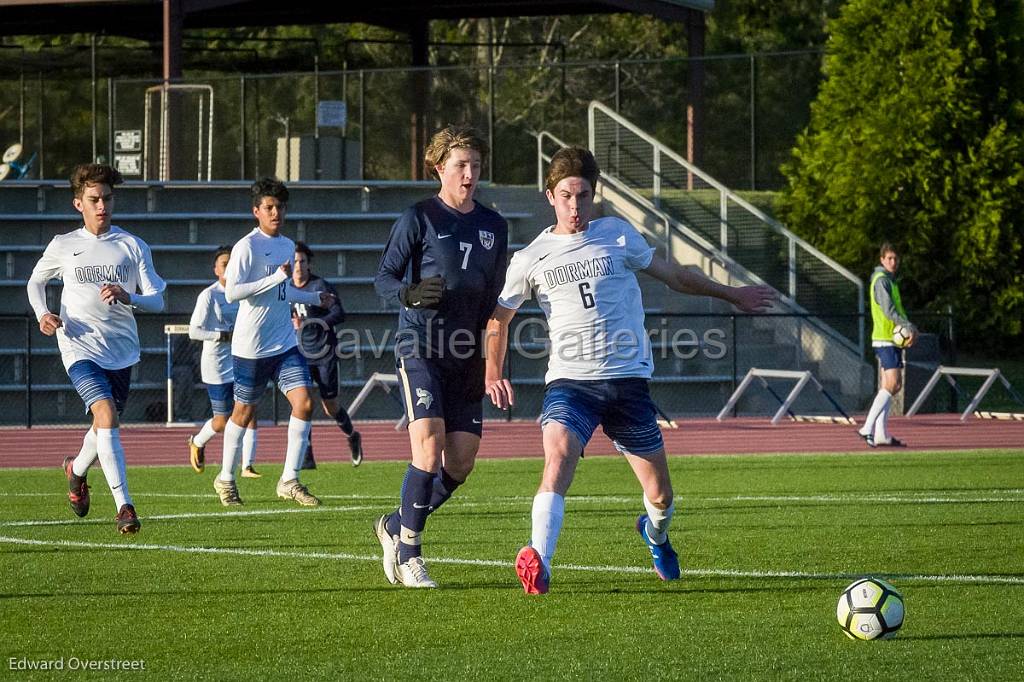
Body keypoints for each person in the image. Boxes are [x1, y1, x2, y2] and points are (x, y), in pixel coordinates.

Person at [484, 146, 775, 594]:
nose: (574, 206)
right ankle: (538, 559)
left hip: (628, 384)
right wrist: (492, 372)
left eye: (582, 196)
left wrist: (732, 294)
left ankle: (655, 534)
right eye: (565, 196)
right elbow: (498, 320)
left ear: (593, 195)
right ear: (550, 196)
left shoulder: (616, 234)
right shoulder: (530, 258)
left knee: (660, 496)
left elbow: (676, 276)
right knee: (558, 457)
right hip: (570, 384)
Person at [372, 124, 508, 588]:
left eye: (475, 165)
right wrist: (409, 293)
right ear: (439, 169)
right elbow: (384, 279)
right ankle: (409, 550)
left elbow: (495, 305)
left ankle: (393, 523)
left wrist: (492, 363)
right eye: (460, 165)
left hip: (466, 353)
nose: (469, 174)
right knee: (428, 448)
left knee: (461, 462)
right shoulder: (419, 217)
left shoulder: (494, 225)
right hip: (421, 346)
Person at [27, 163, 166, 534]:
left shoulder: (132, 245)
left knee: (102, 424)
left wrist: (129, 296)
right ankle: (125, 506)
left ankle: (76, 471)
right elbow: (35, 283)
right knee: (106, 415)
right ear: (78, 204)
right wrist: (43, 314)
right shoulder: (63, 245)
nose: (102, 205)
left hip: (121, 350)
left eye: (107, 198)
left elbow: (158, 301)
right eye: (93, 199)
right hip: (78, 346)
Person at [213, 177, 334, 507]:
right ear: (257, 211)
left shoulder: (286, 245)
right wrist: (275, 277)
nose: (275, 212)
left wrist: (311, 296)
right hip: (251, 347)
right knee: (243, 412)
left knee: (305, 403)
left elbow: (283, 292)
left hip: (283, 344)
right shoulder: (246, 247)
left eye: (280, 207)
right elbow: (233, 292)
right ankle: (225, 478)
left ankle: (289, 479)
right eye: (269, 207)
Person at [186, 246, 261, 479]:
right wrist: (220, 335)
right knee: (221, 421)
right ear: (216, 269)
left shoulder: (244, 293)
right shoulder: (209, 295)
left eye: (232, 263)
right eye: (224, 264)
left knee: (249, 412)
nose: (229, 268)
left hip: (241, 359)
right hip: (216, 365)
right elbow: (193, 331)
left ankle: (247, 466)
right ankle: (197, 442)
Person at [290, 241, 363, 468]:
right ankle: (307, 455)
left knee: (329, 405)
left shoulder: (320, 286)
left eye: (302, 261)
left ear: (309, 264)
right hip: (297, 354)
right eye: (295, 261)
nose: (299, 265)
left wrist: (311, 322)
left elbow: (339, 313)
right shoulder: (284, 288)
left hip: (323, 353)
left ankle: (352, 436)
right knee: (302, 403)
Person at [857, 242, 917, 447]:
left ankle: (881, 433)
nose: (893, 262)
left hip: (891, 338)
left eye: (895, 259)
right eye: (889, 258)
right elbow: (889, 310)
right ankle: (867, 427)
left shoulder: (891, 282)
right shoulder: (881, 281)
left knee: (892, 385)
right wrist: (908, 326)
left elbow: (897, 309)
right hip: (884, 338)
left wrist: (907, 330)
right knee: (892, 384)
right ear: (882, 259)